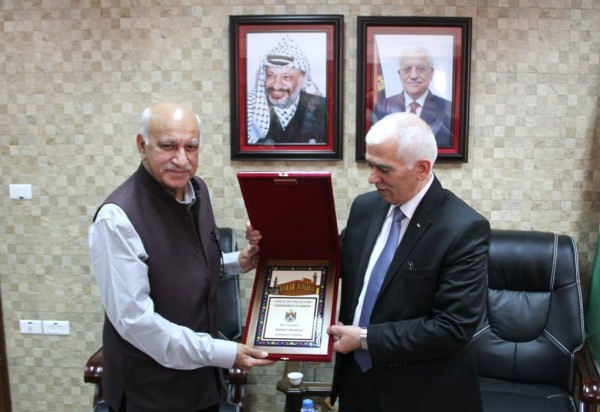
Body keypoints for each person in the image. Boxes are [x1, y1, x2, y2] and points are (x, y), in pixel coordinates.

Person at [89, 102, 274, 412]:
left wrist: (237, 262)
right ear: (142, 145)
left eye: (191, 147)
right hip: (150, 394)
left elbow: (186, 267)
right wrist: (223, 353)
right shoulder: (117, 218)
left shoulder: (198, 191)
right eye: (168, 146)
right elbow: (135, 322)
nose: (182, 160)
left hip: (203, 385)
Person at [327, 112, 490, 411]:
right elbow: (334, 260)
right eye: (370, 164)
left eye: (383, 169)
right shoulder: (365, 207)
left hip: (422, 393)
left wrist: (366, 339)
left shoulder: (463, 228)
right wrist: (271, 239)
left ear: (422, 169)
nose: (372, 178)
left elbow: (453, 328)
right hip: (356, 383)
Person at [247, 35, 327, 145]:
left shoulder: (324, 109)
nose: (276, 85)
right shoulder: (250, 107)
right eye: (270, 75)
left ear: (304, 80)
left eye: (287, 77)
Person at [374, 47, 453, 148]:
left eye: (421, 69)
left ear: (431, 73)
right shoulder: (382, 108)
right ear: (399, 74)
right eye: (407, 69)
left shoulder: (448, 109)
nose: (413, 75)